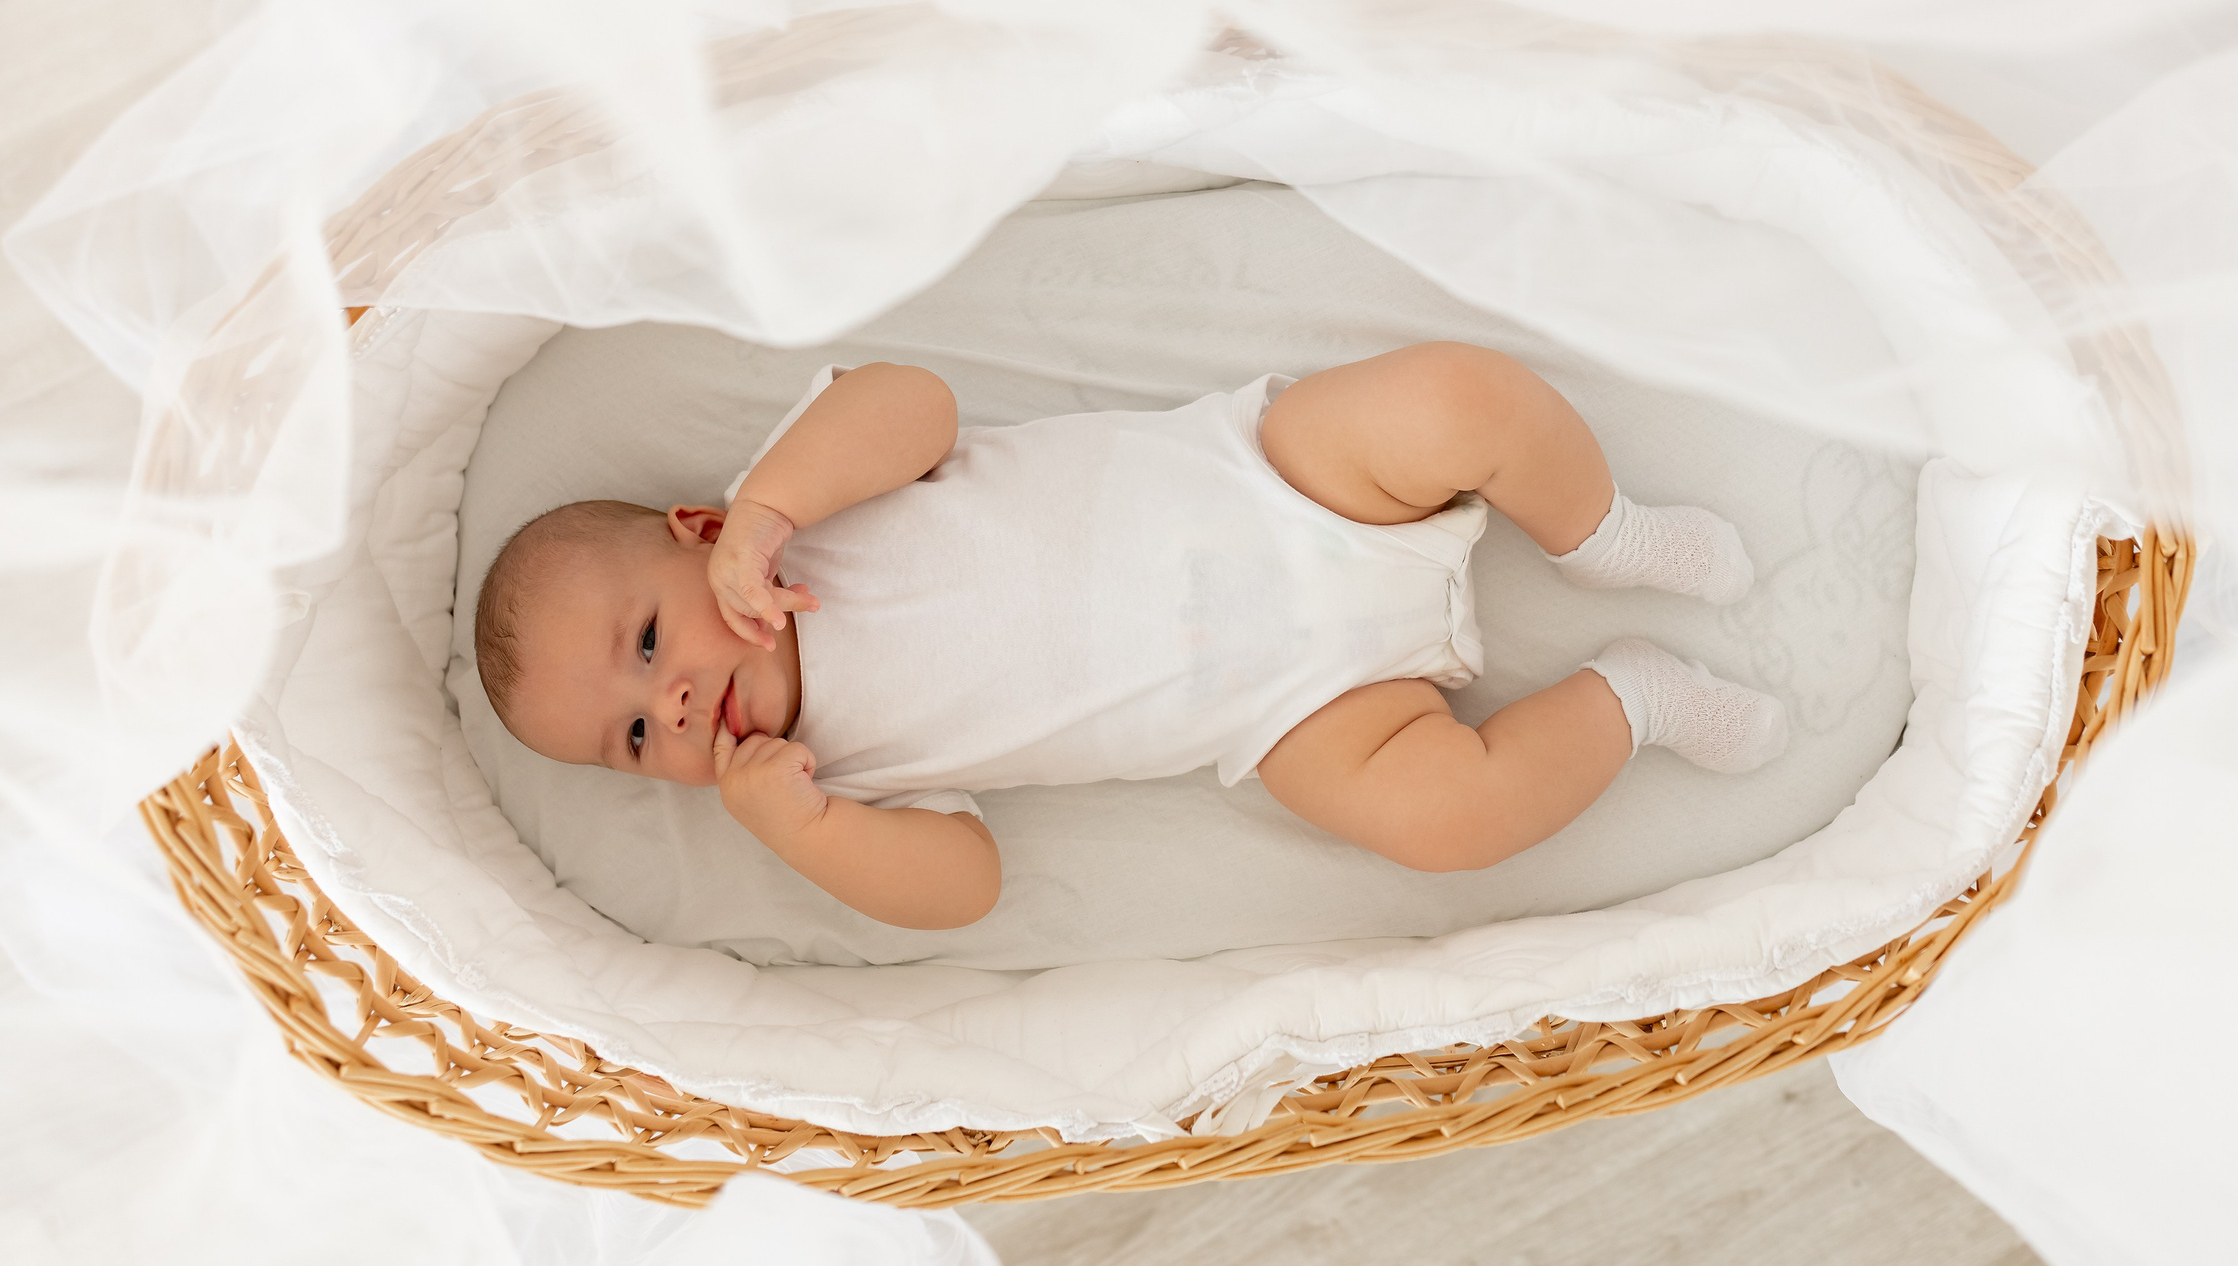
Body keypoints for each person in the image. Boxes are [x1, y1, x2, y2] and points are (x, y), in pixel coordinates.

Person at [474, 344, 1787, 929]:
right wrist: (805, 833)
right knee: (1444, 822)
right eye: (634, 736)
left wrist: (781, 500)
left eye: (649, 642)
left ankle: (1602, 532)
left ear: (700, 526)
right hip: (1289, 705)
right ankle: (1639, 701)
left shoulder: (803, 503)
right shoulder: (834, 775)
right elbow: (964, 887)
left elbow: (914, 401)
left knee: (1457, 397)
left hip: (1280, 488)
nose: (678, 707)